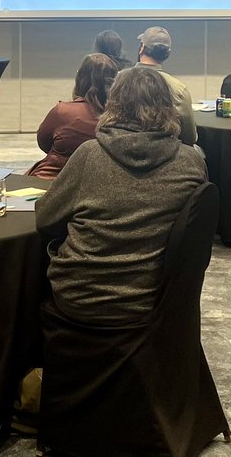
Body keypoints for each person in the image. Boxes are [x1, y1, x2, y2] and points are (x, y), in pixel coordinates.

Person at [36, 67, 208, 325]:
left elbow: (45, 219)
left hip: (80, 296)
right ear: (168, 107)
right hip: (157, 297)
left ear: (113, 104)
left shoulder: (88, 154)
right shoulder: (191, 161)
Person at [27, 53, 119, 180]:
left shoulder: (62, 112)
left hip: (52, 180)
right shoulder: (121, 117)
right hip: (100, 183)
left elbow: (43, 142)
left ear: (80, 79)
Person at [134, 26, 198, 146]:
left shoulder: (118, 81)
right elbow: (190, 137)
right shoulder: (179, 89)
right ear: (167, 54)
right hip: (164, 152)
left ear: (142, 48)